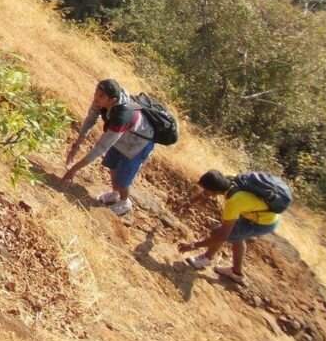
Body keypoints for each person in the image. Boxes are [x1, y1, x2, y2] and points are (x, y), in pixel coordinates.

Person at [61, 78, 155, 216]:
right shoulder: (100, 102)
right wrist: (76, 146)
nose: (96, 98)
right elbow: (90, 120)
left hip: (139, 142)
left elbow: (100, 148)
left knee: (123, 177)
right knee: (112, 165)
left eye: (100, 96)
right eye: (96, 93)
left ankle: (124, 202)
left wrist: (73, 170)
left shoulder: (122, 116)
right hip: (122, 135)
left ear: (112, 100)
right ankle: (116, 194)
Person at [178, 170, 283, 284]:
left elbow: (222, 236)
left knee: (217, 233)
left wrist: (193, 245)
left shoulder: (233, 202)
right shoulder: (230, 179)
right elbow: (206, 193)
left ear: (216, 191)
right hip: (258, 212)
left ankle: (206, 258)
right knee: (237, 236)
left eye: (207, 189)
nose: (205, 191)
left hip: (262, 222)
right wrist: (189, 202)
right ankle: (236, 272)